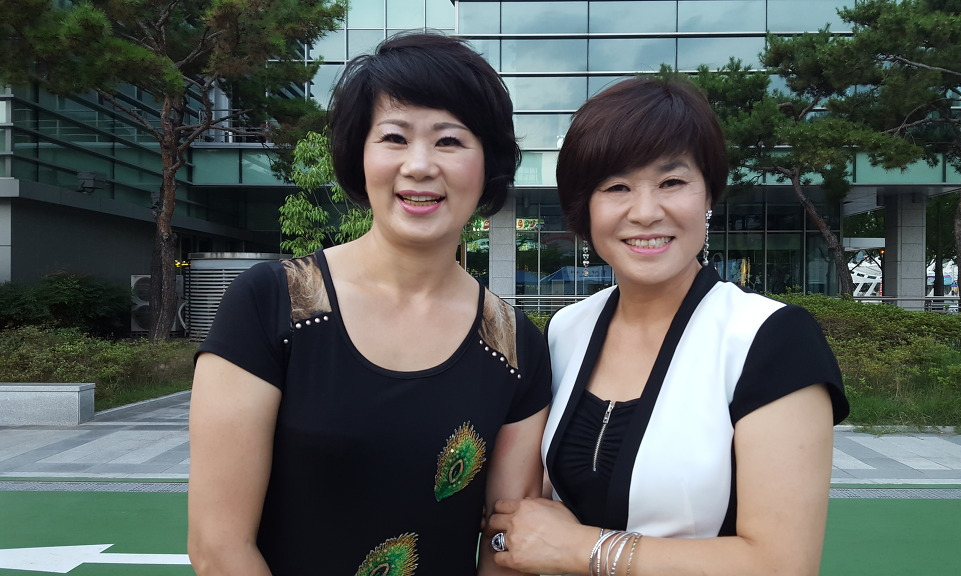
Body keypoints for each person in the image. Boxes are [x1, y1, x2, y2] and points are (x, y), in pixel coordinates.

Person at [187, 32, 550, 576]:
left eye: (450, 141)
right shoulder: (271, 303)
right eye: (394, 138)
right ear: (360, 155)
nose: (420, 165)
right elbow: (218, 547)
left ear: (487, 165)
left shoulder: (516, 345)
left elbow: (508, 551)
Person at [486, 76, 850, 576]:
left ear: (708, 195)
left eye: (672, 182)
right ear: (584, 209)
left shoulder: (768, 339)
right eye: (616, 187)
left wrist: (582, 548)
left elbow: (782, 564)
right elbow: (533, 507)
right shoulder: (568, 330)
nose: (645, 212)